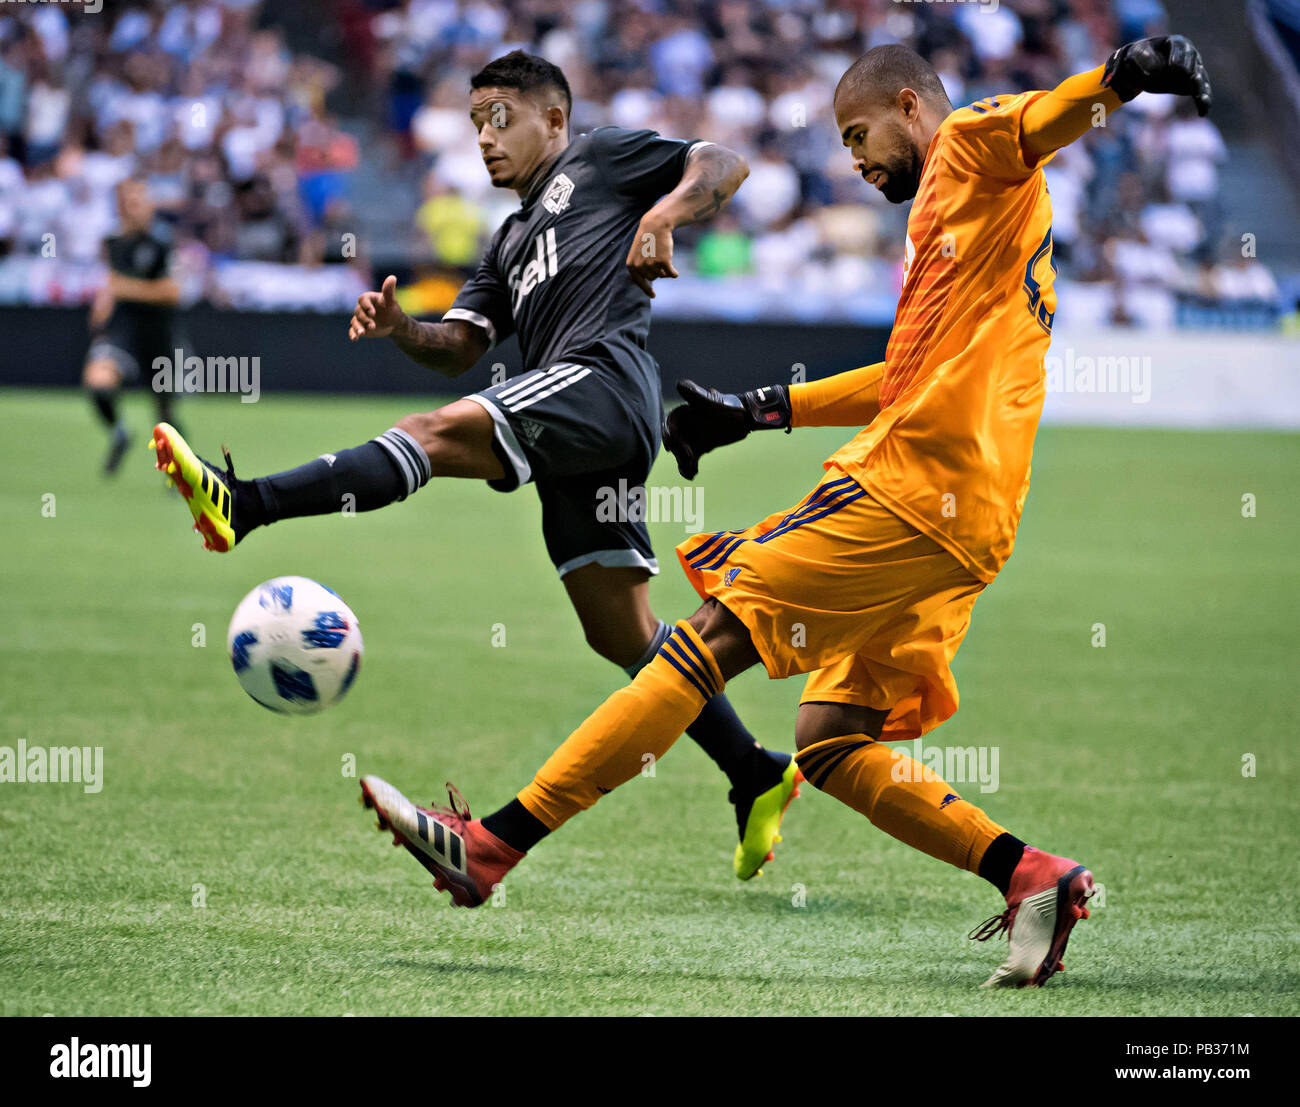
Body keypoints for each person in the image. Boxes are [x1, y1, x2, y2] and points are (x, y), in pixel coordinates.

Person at [357, 36, 1211, 988]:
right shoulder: (970, 231)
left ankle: (491, 847)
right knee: (833, 740)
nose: (854, 157)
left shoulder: (967, 145)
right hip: (972, 521)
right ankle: (1031, 875)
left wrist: (1124, 77)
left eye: (860, 134)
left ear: (911, 108)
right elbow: (904, 375)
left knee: (705, 640)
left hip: (909, 490)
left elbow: (1047, 116)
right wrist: (762, 409)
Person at [150, 51, 800, 881]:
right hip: (584, 426)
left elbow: (724, 161)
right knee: (623, 634)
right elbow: (459, 345)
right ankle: (754, 770)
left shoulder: (599, 158)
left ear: (554, 121)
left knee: (432, 433)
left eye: (501, 118)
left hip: (603, 383)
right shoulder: (506, 242)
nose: (485, 140)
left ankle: (247, 505)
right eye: (474, 124)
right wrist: (401, 328)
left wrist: (664, 212)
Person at [84, 177, 183, 474]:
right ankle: (120, 433)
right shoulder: (113, 241)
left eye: (140, 200)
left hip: (158, 333)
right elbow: (112, 280)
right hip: (123, 330)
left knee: (165, 419)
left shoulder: (163, 241)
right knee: (98, 382)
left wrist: (122, 288)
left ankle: (181, 474)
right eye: (130, 202)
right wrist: (106, 298)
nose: (136, 208)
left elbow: (172, 292)